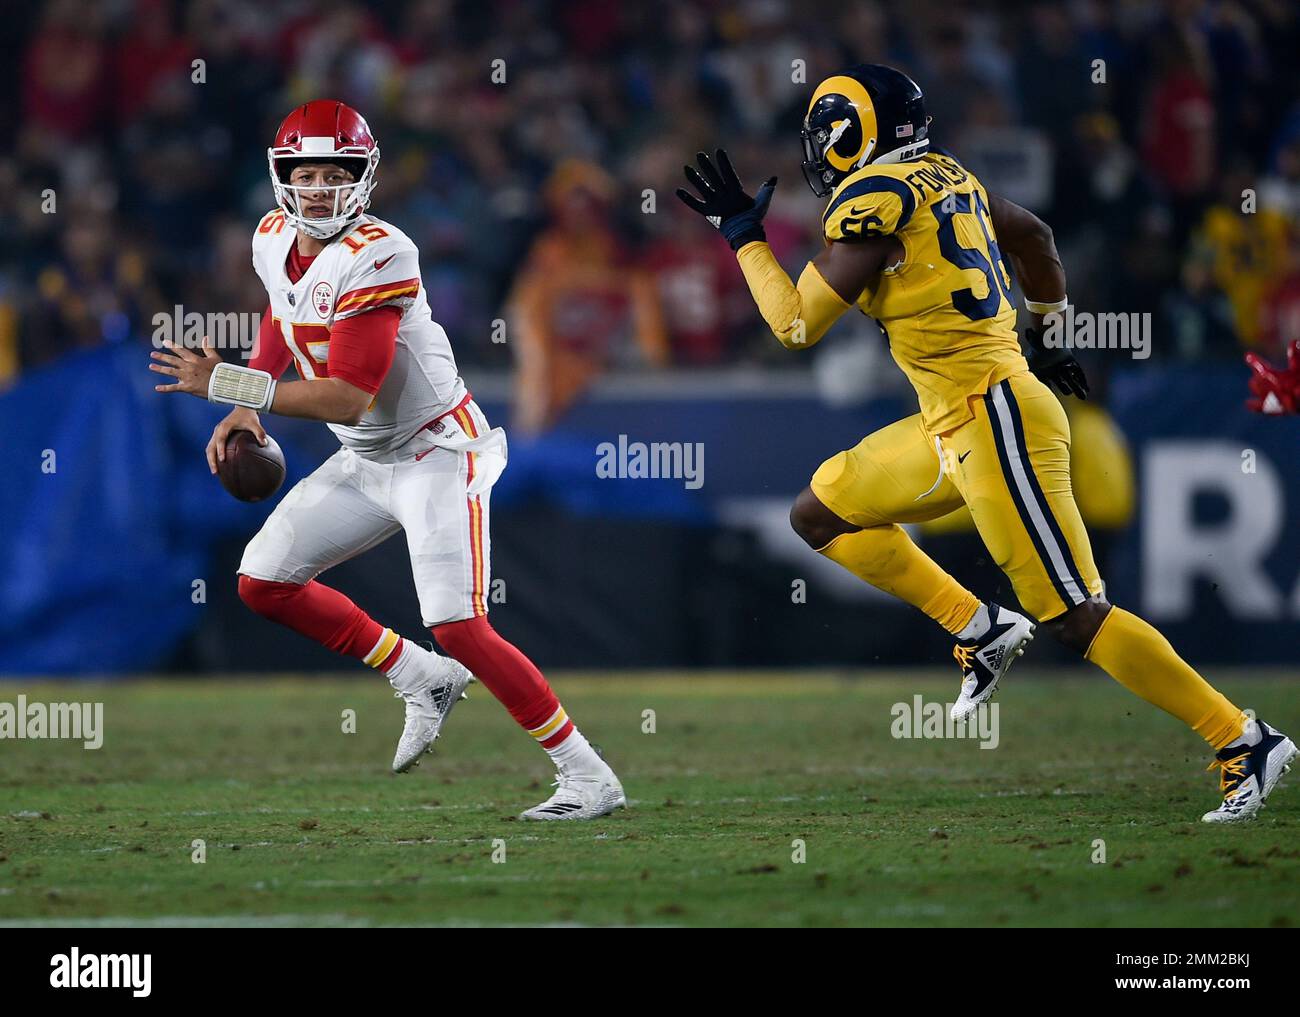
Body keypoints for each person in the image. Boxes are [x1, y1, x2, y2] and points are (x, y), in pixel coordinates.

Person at [676, 65, 1294, 823]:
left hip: (993, 419)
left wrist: (743, 237)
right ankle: (979, 624)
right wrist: (1053, 324)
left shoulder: (877, 198)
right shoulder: (947, 176)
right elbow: (1033, 234)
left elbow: (795, 323)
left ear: (848, 134)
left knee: (1074, 615)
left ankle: (1243, 737)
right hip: (955, 419)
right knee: (821, 512)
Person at [150, 99, 624, 821]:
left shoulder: (382, 250)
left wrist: (226, 382)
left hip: (438, 452)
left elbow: (346, 396)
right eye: (304, 172)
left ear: (362, 177)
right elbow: (285, 309)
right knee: (262, 582)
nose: (317, 188)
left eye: (333, 173)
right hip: (367, 458)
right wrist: (245, 405)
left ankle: (588, 776)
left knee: (461, 624)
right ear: (281, 179)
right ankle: (419, 676)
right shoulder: (275, 236)